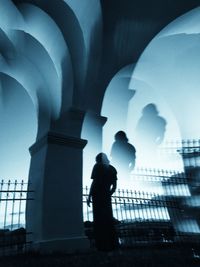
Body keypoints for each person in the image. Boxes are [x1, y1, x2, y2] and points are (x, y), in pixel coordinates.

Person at [87, 153, 119, 251]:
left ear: (98, 160)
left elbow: (94, 182)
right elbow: (114, 185)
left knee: (98, 220)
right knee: (108, 219)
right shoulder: (112, 169)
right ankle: (113, 244)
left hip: (97, 196)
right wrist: (109, 193)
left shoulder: (97, 166)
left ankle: (101, 245)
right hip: (106, 195)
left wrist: (89, 196)